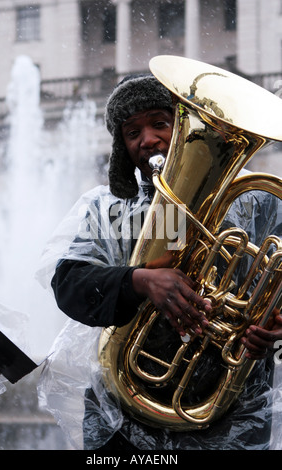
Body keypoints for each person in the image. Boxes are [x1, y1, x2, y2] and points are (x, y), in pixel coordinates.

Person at [37, 73, 282, 451]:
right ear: (122, 146)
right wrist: (139, 281)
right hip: (123, 416)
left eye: (159, 123)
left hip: (231, 410)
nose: (147, 139)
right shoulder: (104, 207)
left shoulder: (257, 199)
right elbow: (69, 284)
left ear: (182, 125)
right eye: (132, 132)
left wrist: (272, 323)